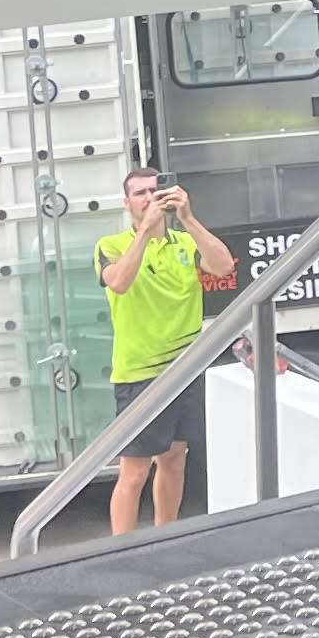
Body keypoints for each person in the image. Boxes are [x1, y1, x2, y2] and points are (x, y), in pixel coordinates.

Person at [96, 164, 237, 533]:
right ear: (127, 202)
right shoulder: (111, 246)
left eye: (155, 191)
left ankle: (166, 536)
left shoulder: (186, 244)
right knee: (134, 469)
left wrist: (188, 218)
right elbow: (120, 283)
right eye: (140, 193)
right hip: (141, 371)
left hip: (186, 369)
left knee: (175, 457)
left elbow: (223, 267)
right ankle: (120, 550)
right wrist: (145, 231)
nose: (149, 199)